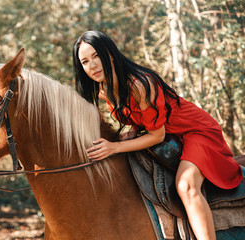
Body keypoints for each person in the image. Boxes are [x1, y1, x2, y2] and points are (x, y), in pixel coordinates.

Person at [72, 30, 243, 240]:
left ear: (110, 53)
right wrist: (131, 133)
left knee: (186, 186)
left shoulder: (139, 84)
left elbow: (156, 135)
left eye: (97, 56)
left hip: (195, 130)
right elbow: (136, 117)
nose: (93, 65)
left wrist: (114, 147)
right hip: (171, 136)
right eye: (85, 61)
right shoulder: (103, 90)